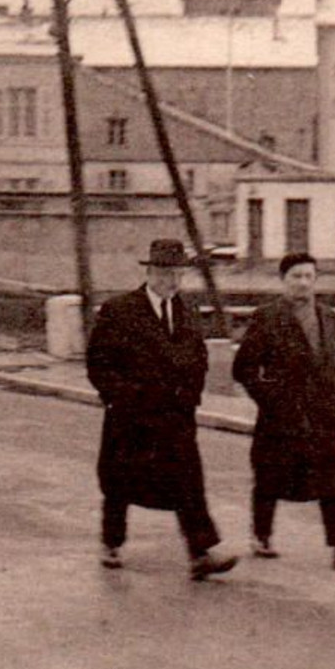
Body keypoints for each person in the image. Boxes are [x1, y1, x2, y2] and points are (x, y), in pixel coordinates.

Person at [85, 238, 238, 581]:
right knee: (119, 483)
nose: (173, 282)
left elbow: (198, 357)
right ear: (151, 273)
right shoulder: (120, 310)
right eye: (167, 274)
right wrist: (119, 398)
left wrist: (191, 396)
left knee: (188, 483)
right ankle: (112, 542)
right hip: (130, 417)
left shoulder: (186, 310)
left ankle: (201, 552)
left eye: (179, 274)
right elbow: (98, 363)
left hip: (175, 417)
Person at [231, 252, 335, 570]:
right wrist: (271, 399)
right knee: (270, 476)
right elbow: (243, 368)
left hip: (323, 414)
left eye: (309, 276)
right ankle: (262, 535)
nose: (303, 283)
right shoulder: (268, 317)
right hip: (281, 416)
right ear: (283, 281)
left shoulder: (327, 316)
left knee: (330, 480)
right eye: (296, 276)